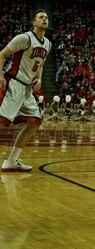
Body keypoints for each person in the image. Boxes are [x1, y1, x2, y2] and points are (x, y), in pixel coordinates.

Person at [0, 9, 52, 172]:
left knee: (35, 121)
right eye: (41, 17)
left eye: (46, 17)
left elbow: (40, 63)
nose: (44, 19)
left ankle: (12, 161)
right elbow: (1, 54)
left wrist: (39, 78)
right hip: (13, 83)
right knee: (2, 122)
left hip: (27, 88)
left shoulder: (48, 44)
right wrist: (0, 76)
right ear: (33, 22)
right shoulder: (24, 38)